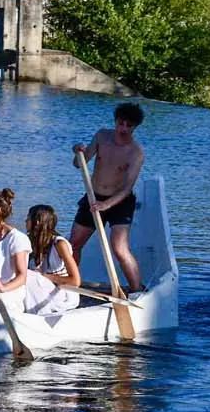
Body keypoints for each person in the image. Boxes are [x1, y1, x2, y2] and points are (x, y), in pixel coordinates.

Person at [69, 102, 145, 291]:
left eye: (129, 126)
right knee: (74, 243)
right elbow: (79, 164)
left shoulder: (136, 152)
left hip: (120, 202)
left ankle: (136, 290)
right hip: (93, 197)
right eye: (121, 124)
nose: (124, 129)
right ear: (115, 122)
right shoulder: (102, 136)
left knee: (119, 248)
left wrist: (106, 205)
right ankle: (69, 281)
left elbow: (127, 188)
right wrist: (78, 151)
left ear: (135, 127)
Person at [24, 204, 82, 315]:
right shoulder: (30, 241)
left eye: (28, 219)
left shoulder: (59, 244)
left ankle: (36, 315)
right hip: (43, 289)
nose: (25, 221)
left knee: (29, 276)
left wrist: (43, 277)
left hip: (63, 294)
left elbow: (75, 281)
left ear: (37, 223)